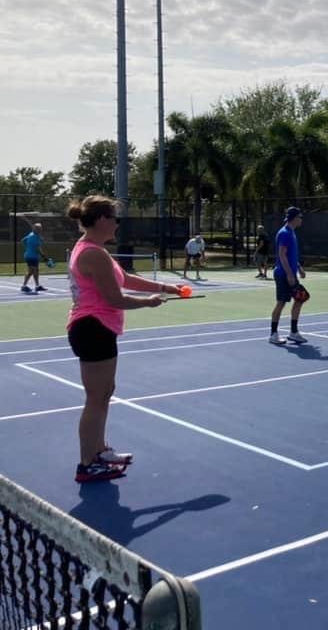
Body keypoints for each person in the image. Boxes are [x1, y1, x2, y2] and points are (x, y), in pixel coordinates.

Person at [65, 195, 184, 482]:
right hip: (93, 327)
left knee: (104, 393)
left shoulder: (95, 250)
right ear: (102, 219)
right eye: (115, 218)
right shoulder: (92, 253)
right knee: (96, 397)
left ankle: (99, 450)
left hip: (98, 328)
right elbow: (115, 297)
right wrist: (148, 302)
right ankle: (87, 463)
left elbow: (125, 279)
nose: (117, 224)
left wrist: (166, 287)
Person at [270, 207, 309, 345]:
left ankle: (293, 332)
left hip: (290, 273)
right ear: (295, 218)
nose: (301, 219)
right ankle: (273, 334)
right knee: (281, 302)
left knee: (300, 298)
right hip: (283, 274)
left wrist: (299, 268)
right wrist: (289, 274)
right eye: (300, 217)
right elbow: (282, 254)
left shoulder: (292, 232)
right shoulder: (285, 233)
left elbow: (291, 255)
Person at [21, 222, 48, 293]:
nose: (39, 229)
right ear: (34, 228)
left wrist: (28, 248)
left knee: (32, 271)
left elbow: (23, 240)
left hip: (30, 255)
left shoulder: (32, 235)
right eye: (38, 228)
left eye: (40, 228)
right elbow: (37, 249)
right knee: (34, 271)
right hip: (31, 256)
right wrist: (44, 256)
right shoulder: (34, 237)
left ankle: (33, 286)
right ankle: (32, 286)